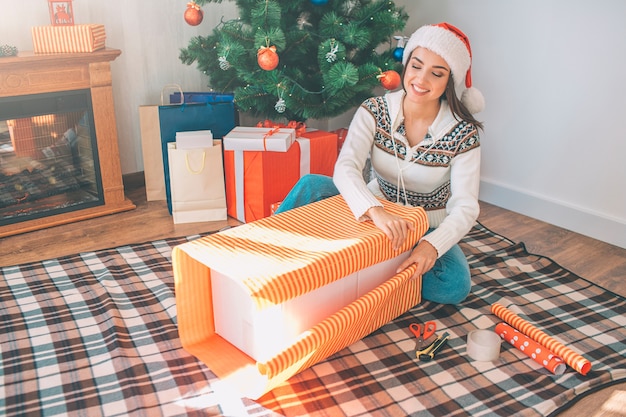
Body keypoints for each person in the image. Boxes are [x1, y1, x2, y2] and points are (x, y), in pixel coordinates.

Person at [275, 22, 485, 305]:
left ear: (449, 81)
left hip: (425, 226)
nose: (421, 80)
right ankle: (268, 254)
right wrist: (373, 209)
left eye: (436, 73)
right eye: (416, 66)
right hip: (375, 212)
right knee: (311, 185)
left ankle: (362, 268)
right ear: (406, 64)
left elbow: (465, 206)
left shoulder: (463, 133)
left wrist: (431, 247)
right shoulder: (374, 110)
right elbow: (346, 166)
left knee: (453, 286)